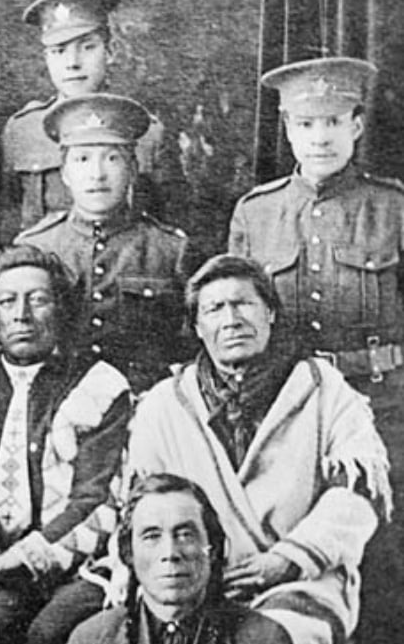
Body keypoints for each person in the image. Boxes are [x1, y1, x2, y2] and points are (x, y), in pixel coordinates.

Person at [227, 56, 404, 644]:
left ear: (357, 124)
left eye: (334, 121)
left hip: (385, 407)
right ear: (287, 129)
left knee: (384, 562)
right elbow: (236, 316)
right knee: (298, 559)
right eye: (307, 124)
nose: (320, 136)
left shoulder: (393, 208)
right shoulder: (258, 212)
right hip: (293, 416)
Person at [126, 255, 391, 644]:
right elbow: (143, 506)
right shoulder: (164, 404)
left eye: (243, 304)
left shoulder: (323, 388)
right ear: (198, 327)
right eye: (215, 309)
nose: (231, 319)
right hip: (193, 581)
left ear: (270, 313)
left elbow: (358, 492)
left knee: (264, 638)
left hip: (303, 581)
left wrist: (289, 558)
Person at [0, 244, 130, 643]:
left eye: (38, 300)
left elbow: (94, 500)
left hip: (78, 565)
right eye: (8, 301)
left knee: (49, 633)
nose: (22, 315)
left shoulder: (98, 385)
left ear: (61, 311)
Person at [15, 92, 190, 392]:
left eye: (112, 158)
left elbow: (188, 351)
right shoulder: (35, 247)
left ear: (133, 170)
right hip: (54, 408)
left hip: (142, 410)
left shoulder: (171, 251)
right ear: (65, 173)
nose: (97, 174)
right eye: (82, 159)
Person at [4, 0, 182, 238]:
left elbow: (168, 226)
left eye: (87, 47)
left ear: (110, 53)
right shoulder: (24, 129)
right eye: (58, 51)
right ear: (46, 58)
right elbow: (7, 219)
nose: (72, 62)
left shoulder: (147, 132)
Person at [67, 474, 292, 644]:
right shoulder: (92, 638)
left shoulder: (264, 638)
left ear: (212, 549)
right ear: (129, 554)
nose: (170, 552)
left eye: (185, 535)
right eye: (152, 536)